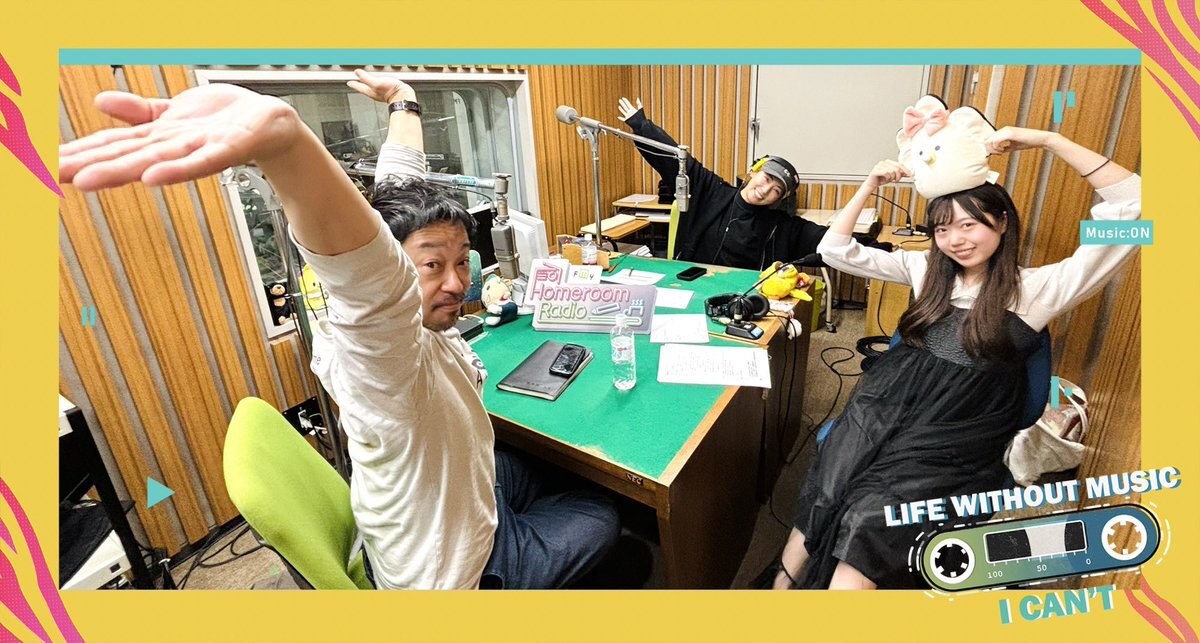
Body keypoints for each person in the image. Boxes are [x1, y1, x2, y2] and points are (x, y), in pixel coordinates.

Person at [60, 69, 619, 590]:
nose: (455, 282)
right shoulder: (384, 355)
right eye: (432, 266)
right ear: (395, 275)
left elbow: (397, 195)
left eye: (461, 261)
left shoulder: (397, 308)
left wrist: (403, 102)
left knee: (526, 465)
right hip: (450, 571)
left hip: (435, 511)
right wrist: (287, 147)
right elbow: (371, 272)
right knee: (600, 512)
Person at [770, 126, 1141, 590]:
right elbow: (834, 250)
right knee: (832, 480)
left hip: (959, 427)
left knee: (870, 517)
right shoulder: (926, 267)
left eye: (969, 225)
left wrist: (1049, 141)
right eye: (942, 228)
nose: (955, 240)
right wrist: (871, 183)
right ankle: (784, 583)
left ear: (1002, 223)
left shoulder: (1038, 290)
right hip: (886, 400)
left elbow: (1134, 207)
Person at [617, 97, 827, 270]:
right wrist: (642, 125)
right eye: (767, 178)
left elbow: (824, 240)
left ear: (779, 199)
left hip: (742, 295)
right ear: (754, 171)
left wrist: (847, 232)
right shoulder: (712, 191)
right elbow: (677, 161)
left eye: (776, 190)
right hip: (693, 283)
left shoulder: (779, 225)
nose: (765, 190)